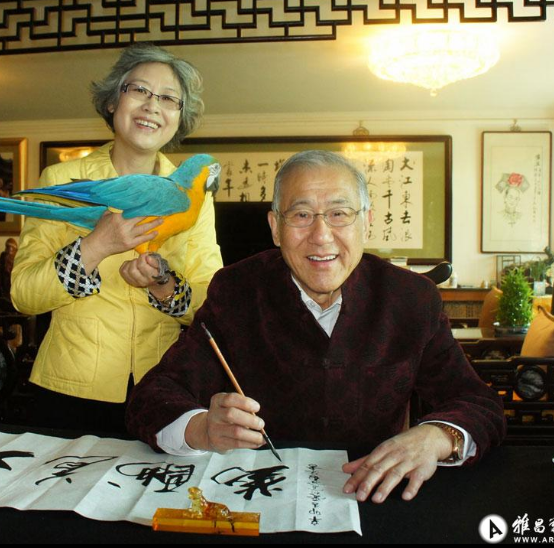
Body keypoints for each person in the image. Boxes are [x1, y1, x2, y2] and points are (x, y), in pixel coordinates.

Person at [127, 150, 505, 503]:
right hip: (257, 497)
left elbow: (478, 402)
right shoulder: (236, 291)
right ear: (275, 228)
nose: (321, 236)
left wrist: (436, 437)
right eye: (301, 215)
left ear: (366, 222)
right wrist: (201, 429)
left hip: (372, 498)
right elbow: (154, 395)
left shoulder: (411, 298)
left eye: (339, 214)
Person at [11, 44, 222, 433]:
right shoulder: (60, 179)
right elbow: (24, 295)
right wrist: (96, 246)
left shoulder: (196, 198)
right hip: (69, 388)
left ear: (179, 117)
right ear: (113, 101)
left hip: (162, 387)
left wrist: (163, 284)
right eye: (139, 90)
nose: (152, 105)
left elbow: (212, 303)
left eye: (169, 98)